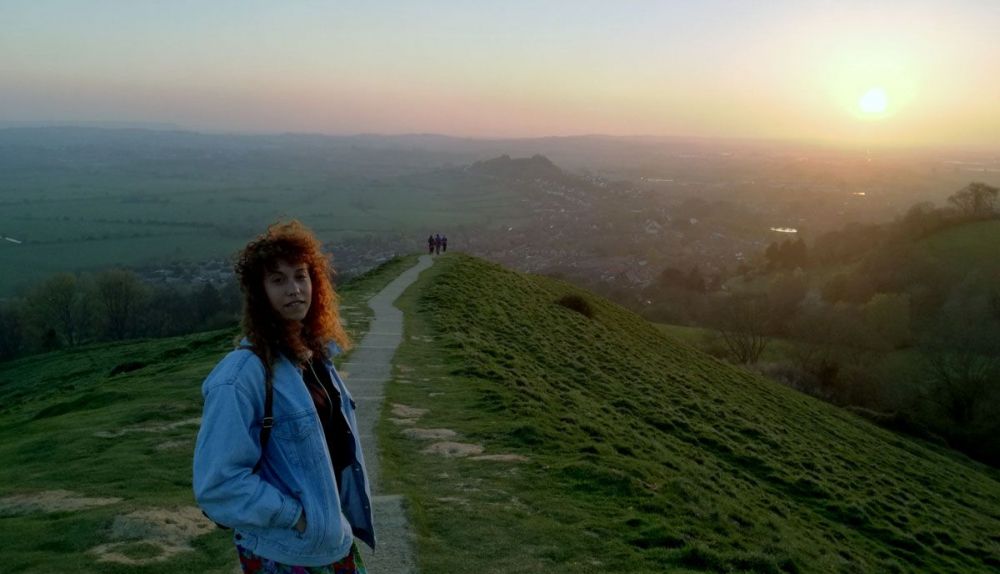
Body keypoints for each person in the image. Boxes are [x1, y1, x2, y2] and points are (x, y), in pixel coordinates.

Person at [193, 220, 373, 574]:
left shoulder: (316, 358)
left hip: (334, 542)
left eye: (301, 276)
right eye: (278, 280)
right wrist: (296, 517)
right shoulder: (241, 377)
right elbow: (218, 484)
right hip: (285, 554)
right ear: (259, 293)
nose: (294, 289)